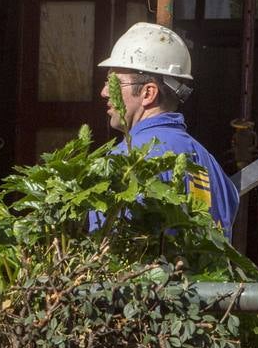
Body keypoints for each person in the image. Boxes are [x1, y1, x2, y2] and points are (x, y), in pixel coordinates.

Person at [96, 22, 239, 238]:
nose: (104, 92)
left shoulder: (128, 159)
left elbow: (105, 241)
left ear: (148, 93)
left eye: (114, 83)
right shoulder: (205, 160)